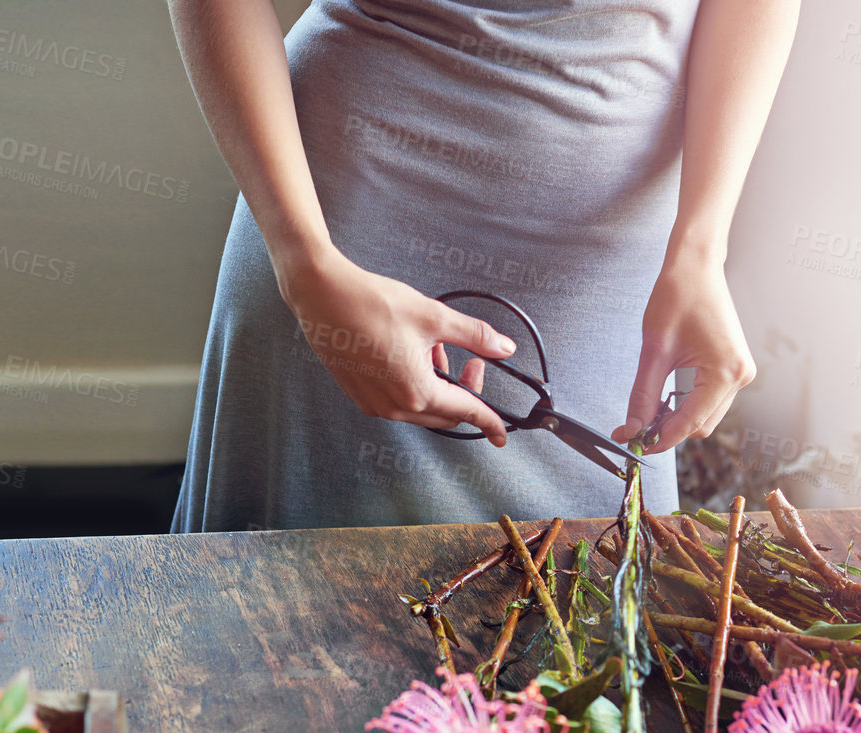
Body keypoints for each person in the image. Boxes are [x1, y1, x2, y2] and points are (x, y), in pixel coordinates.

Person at [168, 0, 799, 532]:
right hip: (340, 246)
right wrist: (307, 267)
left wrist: (701, 249)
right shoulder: (320, 266)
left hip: (615, 281)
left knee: (607, 630)